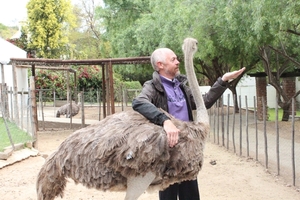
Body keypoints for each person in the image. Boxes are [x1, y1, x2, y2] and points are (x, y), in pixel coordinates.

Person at [132, 47, 245, 200]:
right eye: (173, 59)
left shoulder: (180, 86)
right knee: (168, 195)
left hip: (187, 150)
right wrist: (165, 121)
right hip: (167, 151)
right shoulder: (152, 86)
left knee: (191, 195)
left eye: (177, 58)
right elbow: (139, 102)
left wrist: (222, 81)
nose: (178, 62)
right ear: (160, 65)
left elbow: (203, 103)